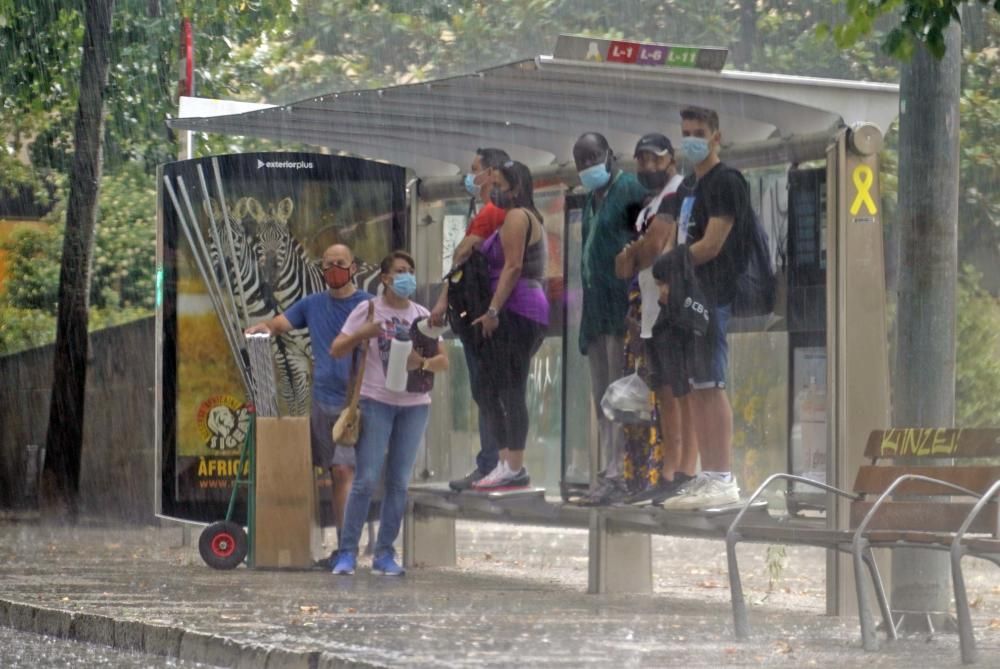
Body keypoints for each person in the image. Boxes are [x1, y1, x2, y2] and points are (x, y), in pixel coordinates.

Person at [329, 250, 448, 575]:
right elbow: (336, 349)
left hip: (414, 406)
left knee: (398, 482)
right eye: (399, 271)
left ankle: (384, 553)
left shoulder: (422, 314)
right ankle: (347, 553)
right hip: (375, 401)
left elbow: (444, 361)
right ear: (384, 278)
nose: (405, 276)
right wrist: (361, 335)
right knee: (365, 478)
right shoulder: (367, 309)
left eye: (410, 270)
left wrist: (420, 363)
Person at [658, 106, 753, 510]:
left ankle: (722, 476)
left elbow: (712, 244)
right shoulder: (687, 189)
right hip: (686, 296)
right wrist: (668, 277)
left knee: (711, 383)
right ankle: (707, 473)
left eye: (699, 132)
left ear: (717, 136)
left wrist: (675, 262)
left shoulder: (726, 182)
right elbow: (677, 238)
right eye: (686, 132)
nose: (692, 139)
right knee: (695, 385)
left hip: (713, 294)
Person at [244, 244, 371, 549]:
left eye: (341, 263)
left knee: (344, 470)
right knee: (332, 470)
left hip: (358, 403)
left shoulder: (369, 305)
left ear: (353, 267)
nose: (334, 270)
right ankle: (343, 542)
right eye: (328, 265)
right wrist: (263, 328)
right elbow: (280, 323)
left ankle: (347, 547)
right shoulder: (312, 304)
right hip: (322, 399)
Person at [613, 133, 699, 505]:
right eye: (642, 160)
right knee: (663, 394)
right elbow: (623, 265)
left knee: (683, 392)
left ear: (671, 160)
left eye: (655, 159)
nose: (648, 167)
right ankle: (668, 471)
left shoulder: (677, 192)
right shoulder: (649, 203)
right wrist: (637, 251)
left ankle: (686, 471)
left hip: (673, 308)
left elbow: (650, 249)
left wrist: (637, 251)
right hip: (649, 311)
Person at [428, 147, 511, 491]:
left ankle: (493, 461)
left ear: (492, 173)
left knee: (487, 390)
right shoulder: (495, 211)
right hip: (484, 311)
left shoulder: (493, 213)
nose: (470, 176)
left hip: (484, 315)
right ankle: (497, 460)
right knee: (490, 390)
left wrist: (444, 299)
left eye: (475, 169)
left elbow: (461, 256)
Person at [572, 132, 648, 504]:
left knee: (621, 394)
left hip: (621, 306)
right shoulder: (590, 199)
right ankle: (608, 471)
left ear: (609, 155)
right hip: (596, 310)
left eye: (593, 157)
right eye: (581, 161)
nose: (588, 166)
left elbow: (643, 239)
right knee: (602, 395)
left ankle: (621, 474)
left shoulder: (629, 189)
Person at [467, 160, 550, 490]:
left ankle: (514, 464)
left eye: (499, 183)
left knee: (509, 387)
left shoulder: (518, 217)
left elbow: (513, 267)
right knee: (489, 386)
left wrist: (493, 309)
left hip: (518, 309)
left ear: (516, 187)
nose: (494, 189)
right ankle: (507, 460)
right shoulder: (512, 217)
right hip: (514, 309)